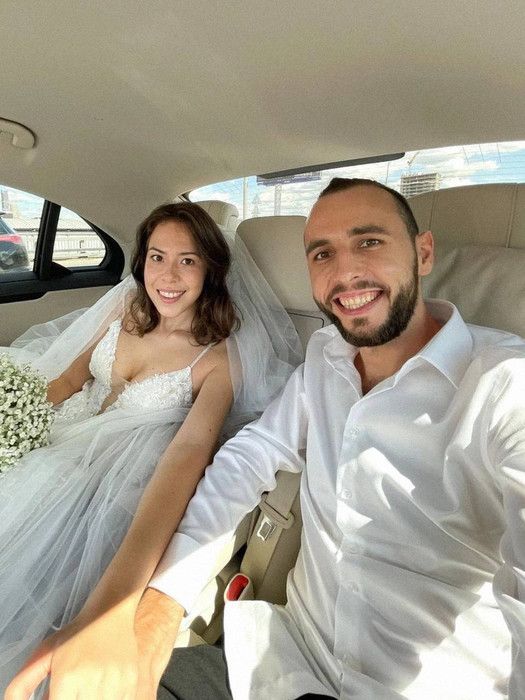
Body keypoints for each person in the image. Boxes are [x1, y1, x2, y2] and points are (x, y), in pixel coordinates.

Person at [10, 177, 525, 699]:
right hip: (281, 665)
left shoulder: (507, 386)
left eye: (369, 241)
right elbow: (245, 461)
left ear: (423, 253)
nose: (345, 271)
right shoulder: (324, 360)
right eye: (322, 254)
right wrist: (154, 613)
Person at [0, 202, 302, 698]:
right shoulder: (123, 309)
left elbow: (190, 451)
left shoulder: (220, 359)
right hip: (60, 435)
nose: (168, 276)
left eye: (188, 260)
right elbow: (70, 381)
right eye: (157, 257)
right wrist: (14, 420)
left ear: (210, 269)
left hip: (115, 476)